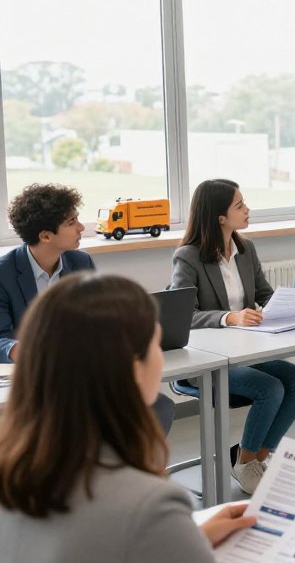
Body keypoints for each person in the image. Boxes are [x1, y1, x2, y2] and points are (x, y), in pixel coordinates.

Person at [0, 274, 295, 563]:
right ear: (131, 368)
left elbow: (85, 561)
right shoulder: (144, 506)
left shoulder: (18, 468)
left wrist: (189, 541)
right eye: (156, 344)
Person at [170, 179, 295, 494]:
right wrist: (229, 317)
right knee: (270, 388)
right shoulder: (188, 257)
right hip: (208, 361)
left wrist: (291, 307)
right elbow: (184, 314)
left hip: (247, 352)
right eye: (239, 205)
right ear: (220, 217)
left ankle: (254, 458)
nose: (247, 209)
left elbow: (264, 293)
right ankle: (246, 464)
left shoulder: (246, 249)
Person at [0, 183, 175, 433]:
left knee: (159, 406)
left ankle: (132, 470)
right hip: (39, 379)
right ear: (45, 236)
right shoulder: (4, 273)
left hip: (86, 372)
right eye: (72, 222)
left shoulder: (80, 262)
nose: (82, 227)